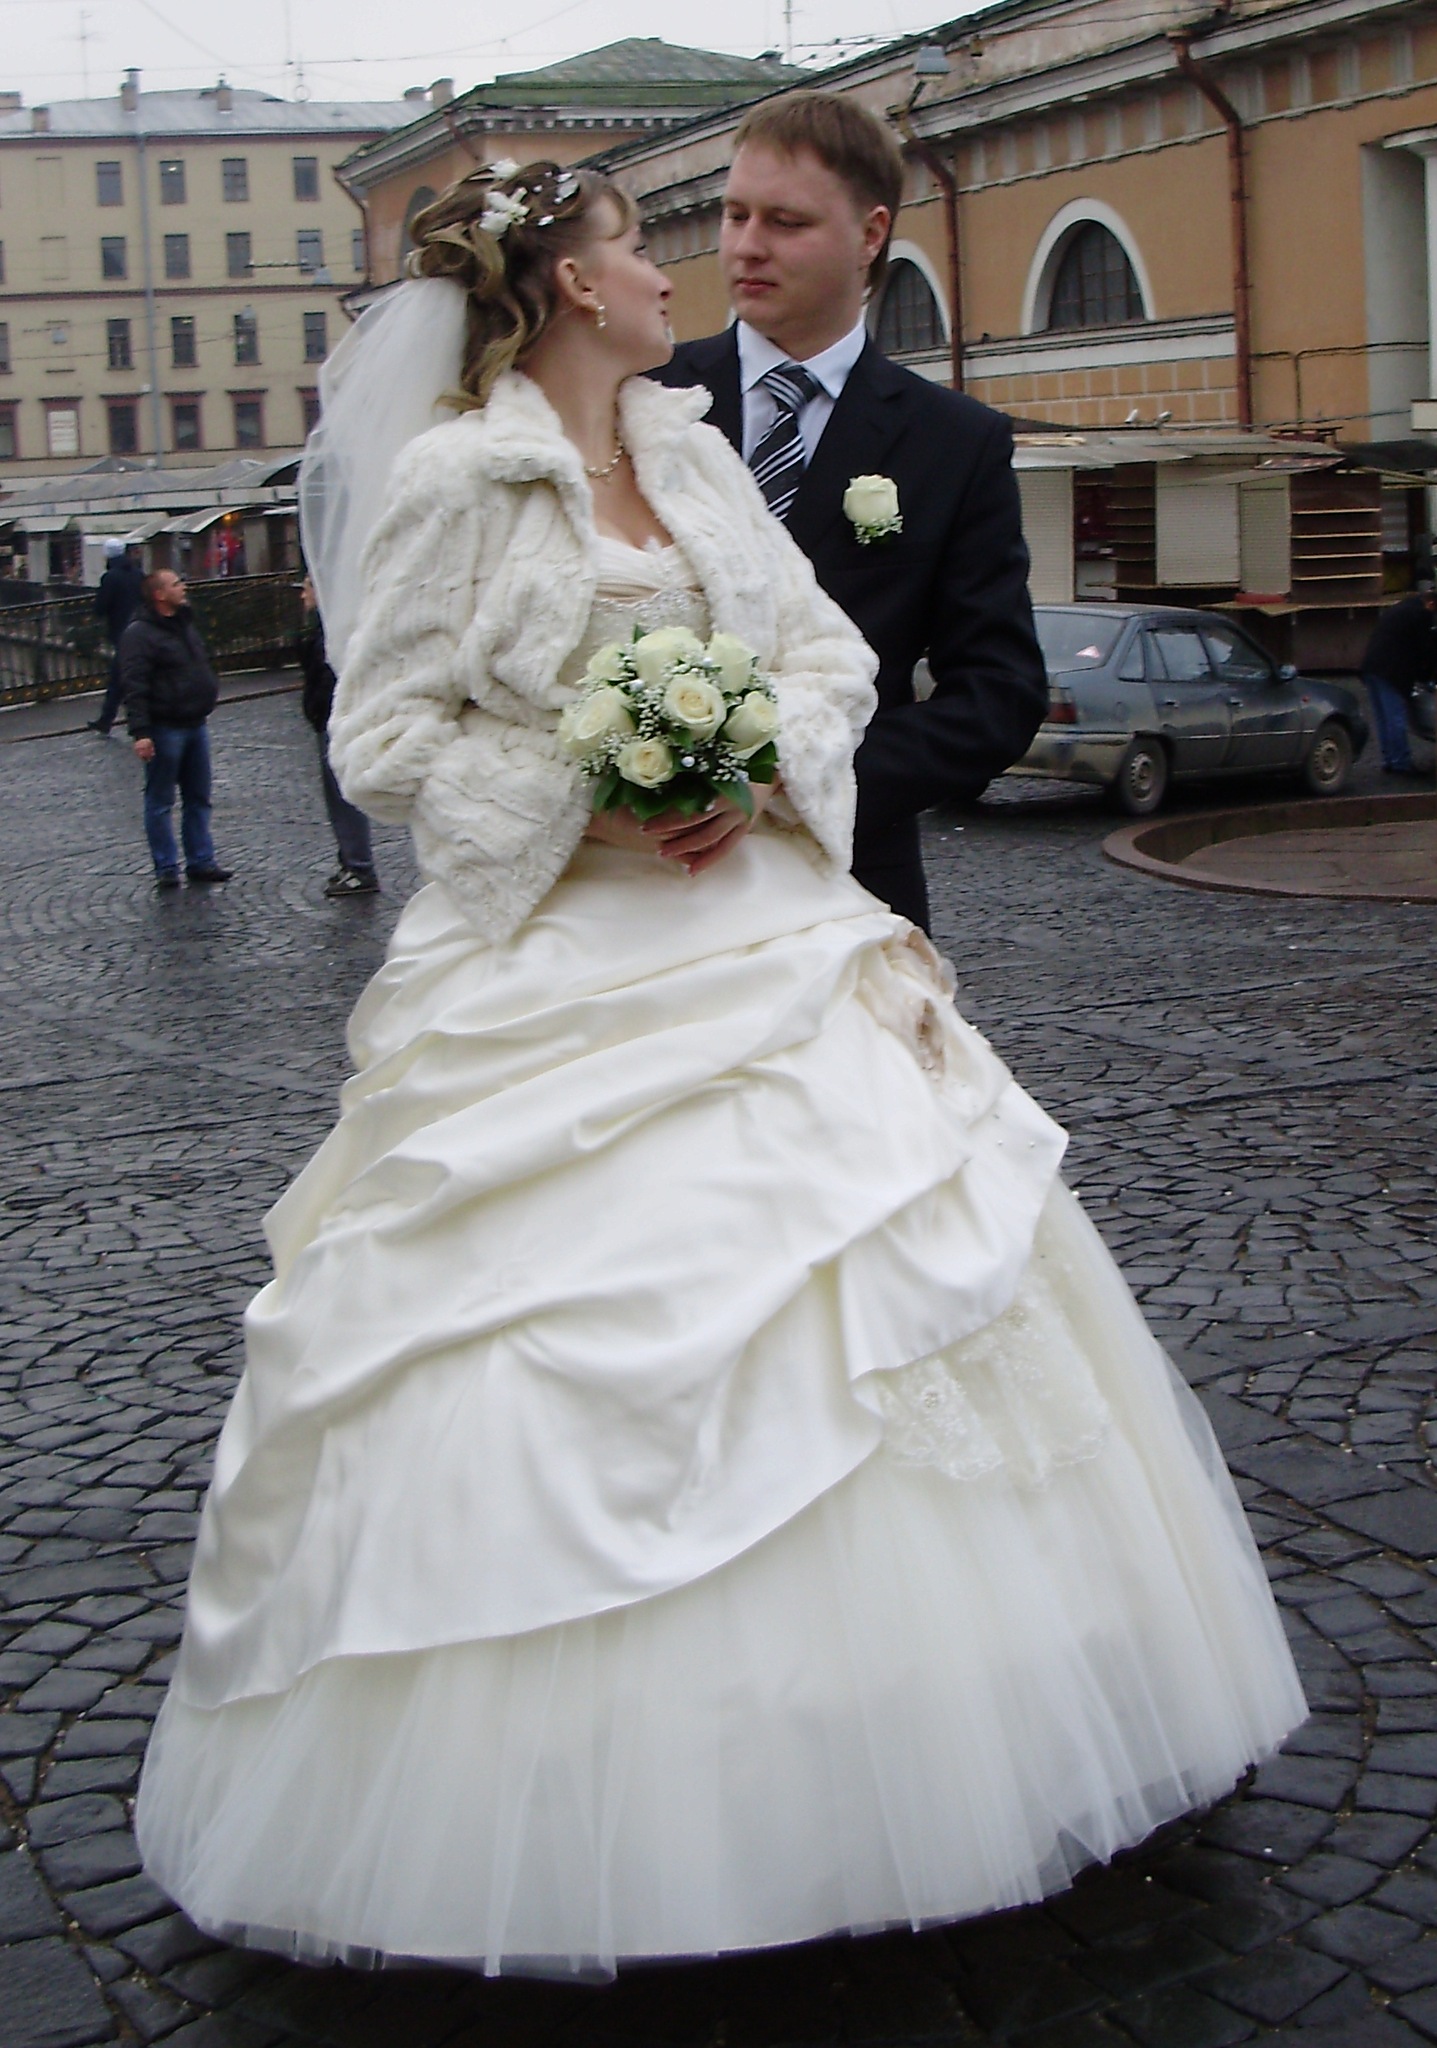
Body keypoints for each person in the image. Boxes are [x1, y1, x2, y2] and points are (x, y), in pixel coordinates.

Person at [135, 160, 1304, 1975]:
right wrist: (589, 793)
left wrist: (753, 764)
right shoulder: (458, 477)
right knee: (544, 1324)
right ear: (568, 284)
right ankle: (584, 1786)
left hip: (766, 923)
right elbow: (386, 736)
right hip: (559, 962)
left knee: (890, 1272)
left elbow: (827, 657)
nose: (673, 267)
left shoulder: (690, 457)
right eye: (633, 243)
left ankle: (917, 1737)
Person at [655, 91, 1047, 930]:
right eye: (734, 214)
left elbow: (997, 698)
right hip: (645, 881)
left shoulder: (954, 442)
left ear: (870, 235)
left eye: (786, 222)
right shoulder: (645, 397)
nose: (746, 246)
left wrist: (790, 776)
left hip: (849, 887)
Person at [122, 569, 233, 889]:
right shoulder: (140, 634)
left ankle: (201, 861)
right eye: (176, 584)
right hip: (164, 727)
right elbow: (134, 684)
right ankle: (167, 866)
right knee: (160, 801)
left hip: (195, 722)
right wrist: (141, 732)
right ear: (159, 595)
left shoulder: (183, 623)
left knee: (199, 797)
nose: (183, 587)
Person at [295, 576, 380, 897]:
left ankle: (359, 865)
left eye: (307, 588)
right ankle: (351, 860)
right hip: (327, 717)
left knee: (343, 796)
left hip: (334, 719)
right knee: (338, 795)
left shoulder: (332, 632)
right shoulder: (326, 627)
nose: (302, 595)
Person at [1361, 585, 1437, 776]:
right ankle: (1401, 763)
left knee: (1383, 718)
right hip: (1392, 671)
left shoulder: (1403, 606)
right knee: (1395, 717)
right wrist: (1428, 677)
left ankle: (1390, 759)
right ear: (1431, 603)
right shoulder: (1421, 614)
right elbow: (1427, 650)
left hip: (1371, 666)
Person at [87, 539, 146, 734]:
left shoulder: (110, 577)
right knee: (125, 677)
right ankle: (107, 719)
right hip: (140, 629)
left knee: (121, 679)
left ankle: (118, 720)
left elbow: (101, 607)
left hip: (121, 633)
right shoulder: (138, 574)